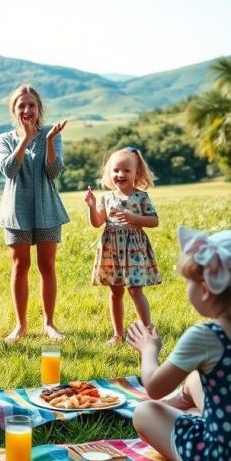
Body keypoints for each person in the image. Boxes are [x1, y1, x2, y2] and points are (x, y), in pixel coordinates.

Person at [126, 226, 231, 461]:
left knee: (144, 412)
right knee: (196, 377)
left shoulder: (207, 337)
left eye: (189, 282)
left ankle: (182, 416)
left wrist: (149, 349)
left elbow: (154, 388)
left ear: (205, 289)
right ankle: (184, 401)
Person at [0, 85, 69, 345]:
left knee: (47, 266)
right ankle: (21, 325)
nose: (27, 110)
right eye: (21, 106)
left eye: (31, 105)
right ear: (14, 111)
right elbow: (9, 170)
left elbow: (54, 171)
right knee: (20, 266)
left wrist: (47, 141)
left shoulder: (52, 134)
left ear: (39, 109)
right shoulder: (4, 139)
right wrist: (25, 139)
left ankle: (49, 324)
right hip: (17, 211)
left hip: (47, 209)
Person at [85, 146, 160, 345]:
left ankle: (147, 332)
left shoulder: (141, 197)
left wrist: (132, 217)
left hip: (134, 250)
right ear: (110, 173)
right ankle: (118, 334)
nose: (120, 174)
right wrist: (92, 206)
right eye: (116, 170)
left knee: (135, 290)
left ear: (137, 173)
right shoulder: (107, 197)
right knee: (115, 291)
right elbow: (97, 222)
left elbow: (154, 221)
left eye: (126, 170)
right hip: (112, 249)